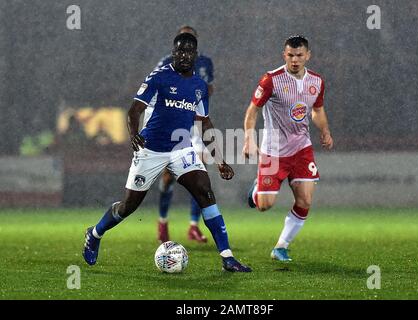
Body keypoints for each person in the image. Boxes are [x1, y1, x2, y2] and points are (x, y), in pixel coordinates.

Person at [82, 33, 251, 272]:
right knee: (128, 206)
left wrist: (219, 160)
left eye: (189, 51)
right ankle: (95, 233)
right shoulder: (159, 78)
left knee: (205, 192)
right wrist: (134, 135)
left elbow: (204, 123)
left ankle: (227, 257)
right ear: (173, 53)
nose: (184, 55)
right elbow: (133, 111)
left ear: (195, 55)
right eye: (179, 51)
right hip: (150, 148)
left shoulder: (199, 86)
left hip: (181, 149)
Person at [243, 35, 333, 262]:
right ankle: (256, 192)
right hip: (273, 151)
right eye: (291, 55)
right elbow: (252, 111)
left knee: (305, 201)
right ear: (284, 55)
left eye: (299, 55)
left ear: (307, 56)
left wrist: (324, 131)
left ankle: (281, 246)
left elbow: (317, 110)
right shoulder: (271, 80)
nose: (295, 60)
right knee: (265, 206)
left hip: (302, 148)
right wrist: (248, 139)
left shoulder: (317, 81)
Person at [155, 26, 214, 244]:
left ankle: (193, 226)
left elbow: (209, 88)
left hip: (195, 121)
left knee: (200, 174)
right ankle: (162, 221)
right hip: (173, 122)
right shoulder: (164, 63)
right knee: (169, 176)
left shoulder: (205, 63)